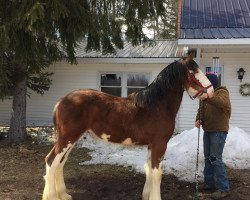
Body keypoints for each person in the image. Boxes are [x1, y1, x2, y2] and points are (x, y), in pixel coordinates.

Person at [195, 72, 231, 199]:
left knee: (215, 158)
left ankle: (224, 188)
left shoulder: (222, 92)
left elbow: (222, 103)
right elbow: (201, 109)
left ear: (211, 83)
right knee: (208, 158)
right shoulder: (206, 96)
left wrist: (206, 97)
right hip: (208, 130)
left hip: (219, 130)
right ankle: (210, 183)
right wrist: (198, 118)